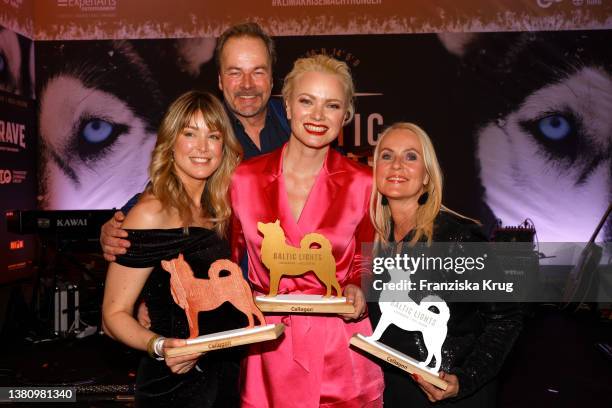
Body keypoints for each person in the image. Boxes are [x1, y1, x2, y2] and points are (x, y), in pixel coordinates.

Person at [229, 54, 384, 407]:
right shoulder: (243, 179)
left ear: (345, 116)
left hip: (340, 348)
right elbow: (218, 256)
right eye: (306, 101)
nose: (317, 116)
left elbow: (368, 260)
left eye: (331, 105)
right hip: (269, 345)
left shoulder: (364, 183)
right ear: (286, 105)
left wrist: (358, 287)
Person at [101, 22, 289, 264]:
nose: (247, 84)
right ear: (220, 80)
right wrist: (121, 221)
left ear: (272, 79)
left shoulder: (296, 125)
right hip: (236, 283)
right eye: (235, 72)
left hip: (297, 284)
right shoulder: (208, 131)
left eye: (258, 72)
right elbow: (168, 185)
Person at [101, 91, 243, 408]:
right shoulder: (151, 211)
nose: (203, 147)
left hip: (223, 377)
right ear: (171, 142)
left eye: (213, 135)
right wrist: (162, 346)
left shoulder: (217, 209)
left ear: (224, 146)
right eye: (189, 133)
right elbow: (113, 315)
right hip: (172, 385)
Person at [368, 122, 523, 407]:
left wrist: (465, 379)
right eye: (387, 156)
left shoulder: (457, 238)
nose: (397, 165)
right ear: (375, 169)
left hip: (450, 395)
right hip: (395, 390)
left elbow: (506, 317)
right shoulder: (374, 240)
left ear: (427, 176)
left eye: (411, 156)